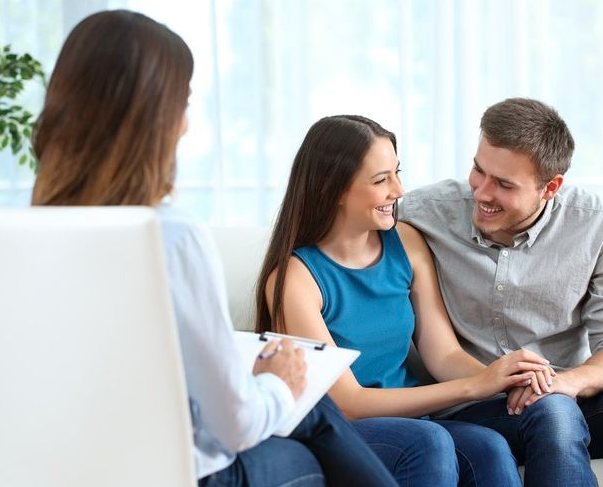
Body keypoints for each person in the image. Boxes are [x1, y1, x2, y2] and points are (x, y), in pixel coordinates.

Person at [30, 10, 399, 487]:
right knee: (311, 413)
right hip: (181, 474)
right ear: (154, 120)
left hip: (62, 468)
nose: (186, 126)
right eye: (182, 105)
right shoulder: (169, 237)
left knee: (313, 412)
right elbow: (235, 426)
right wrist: (278, 383)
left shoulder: (16, 238)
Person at [399, 97, 603, 487]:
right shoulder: (424, 212)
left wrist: (564, 383)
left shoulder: (598, 226)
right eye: (478, 170)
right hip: (476, 405)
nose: (482, 192)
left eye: (504, 184)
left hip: (567, 397)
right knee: (554, 411)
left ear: (551, 187)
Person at [255, 114, 557, 486]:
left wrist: (506, 375)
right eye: (381, 180)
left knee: (489, 446)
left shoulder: (407, 242)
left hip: (412, 421)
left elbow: (443, 354)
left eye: (397, 173)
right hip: (338, 429)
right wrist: (476, 386)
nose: (398, 190)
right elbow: (349, 402)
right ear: (334, 189)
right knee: (427, 441)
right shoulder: (295, 279)